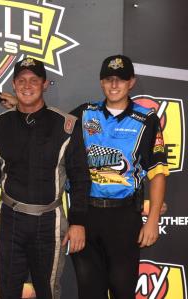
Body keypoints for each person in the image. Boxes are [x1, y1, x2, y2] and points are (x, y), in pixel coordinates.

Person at [0, 57, 91, 299]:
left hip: (49, 221)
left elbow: (80, 178)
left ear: (44, 84)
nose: (27, 85)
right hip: (8, 220)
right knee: (3, 291)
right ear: (14, 84)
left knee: (48, 291)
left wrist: (78, 221)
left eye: (33, 80)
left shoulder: (67, 125)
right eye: (21, 80)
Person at [70, 54, 169, 299]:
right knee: (89, 293)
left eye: (121, 80)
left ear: (131, 82)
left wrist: (153, 219)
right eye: (109, 79)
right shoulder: (84, 114)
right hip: (86, 215)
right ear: (101, 82)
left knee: (123, 291)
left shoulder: (147, 120)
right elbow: (48, 124)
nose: (114, 85)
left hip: (124, 218)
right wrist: (19, 105)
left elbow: (158, 173)